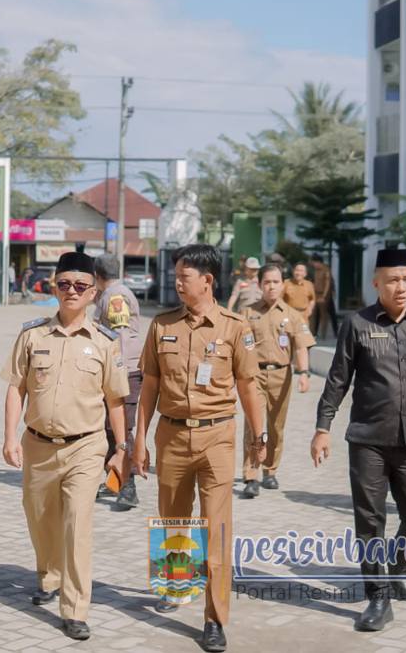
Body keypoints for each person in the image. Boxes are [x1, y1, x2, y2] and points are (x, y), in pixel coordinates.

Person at [311, 247, 406, 632]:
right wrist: (322, 427)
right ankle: (377, 595)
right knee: (370, 520)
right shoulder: (357, 324)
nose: (401, 286)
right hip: (367, 441)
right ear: (377, 283)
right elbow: (338, 379)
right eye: (393, 280)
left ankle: (399, 560)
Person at [133, 244, 265, 653]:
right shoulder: (161, 325)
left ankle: (214, 618)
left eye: (183, 277)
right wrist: (138, 440)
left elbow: (248, 385)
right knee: (172, 522)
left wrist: (259, 437)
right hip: (171, 437)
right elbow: (150, 385)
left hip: (217, 438)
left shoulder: (234, 327)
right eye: (176, 276)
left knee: (217, 530)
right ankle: (175, 587)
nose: (176, 282)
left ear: (207, 281)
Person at [1, 252, 130, 641]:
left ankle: (75, 607)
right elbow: (15, 388)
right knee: (40, 519)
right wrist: (9, 436)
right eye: (64, 285)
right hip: (38, 445)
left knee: (77, 523)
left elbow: (115, 401)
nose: (71, 292)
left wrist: (121, 447)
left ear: (93, 293)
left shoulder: (105, 342)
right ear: (54, 287)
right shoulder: (32, 335)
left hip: (85, 447)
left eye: (80, 286)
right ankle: (49, 574)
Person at [240, 264, 316, 498]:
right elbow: (237, 346)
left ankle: (270, 470)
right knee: (255, 425)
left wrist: (304, 373)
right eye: (267, 282)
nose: (271, 286)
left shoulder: (292, 315)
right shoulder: (248, 312)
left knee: (276, 426)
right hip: (255, 376)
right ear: (260, 284)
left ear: (282, 284)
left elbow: (302, 346)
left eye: (275, 282)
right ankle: (251, 475)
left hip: (282, 376)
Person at [92, 253, 144, 509]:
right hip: (114, 371)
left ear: (97, 276)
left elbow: (120, 336)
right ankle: (116, 479)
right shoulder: (111, 293)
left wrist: (118, 372)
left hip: (123, 371)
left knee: (120, 429)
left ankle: (129, 486)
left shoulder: (114, 296)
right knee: (109, 428)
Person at [310, 254, 339, 338]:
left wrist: (324, 296)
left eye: (314, 263)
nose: (313, 265)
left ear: (318, 262)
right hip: (317, 294)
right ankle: (314, 333)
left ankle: (332, 333)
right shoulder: (316, 271)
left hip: (326, 295)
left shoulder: (326, 270)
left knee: (330, 314)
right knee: (317, 314)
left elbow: (328, 284)